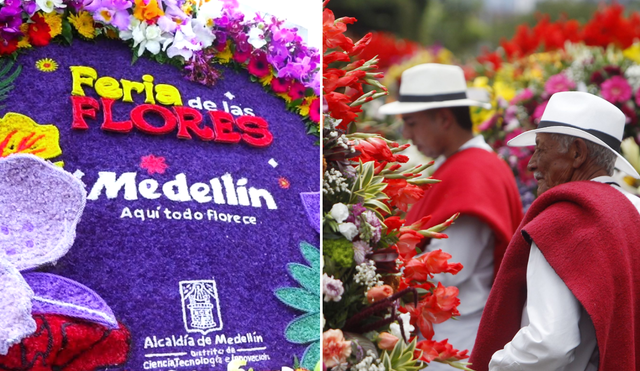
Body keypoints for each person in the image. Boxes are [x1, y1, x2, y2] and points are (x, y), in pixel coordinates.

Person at [470, 91, 640, 371]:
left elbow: (549, 345)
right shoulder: (634, 208)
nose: (532, 162)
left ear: (577, 153)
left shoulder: (562, 219)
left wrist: (494, 365)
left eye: (541, 148)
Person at [378, 63, 524, 366]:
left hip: (454, 342)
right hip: (453, 334)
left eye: (411, 123)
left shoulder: (471, 172)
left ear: (444, 118)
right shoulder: (472, 165)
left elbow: (445, 269)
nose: (406, 133)